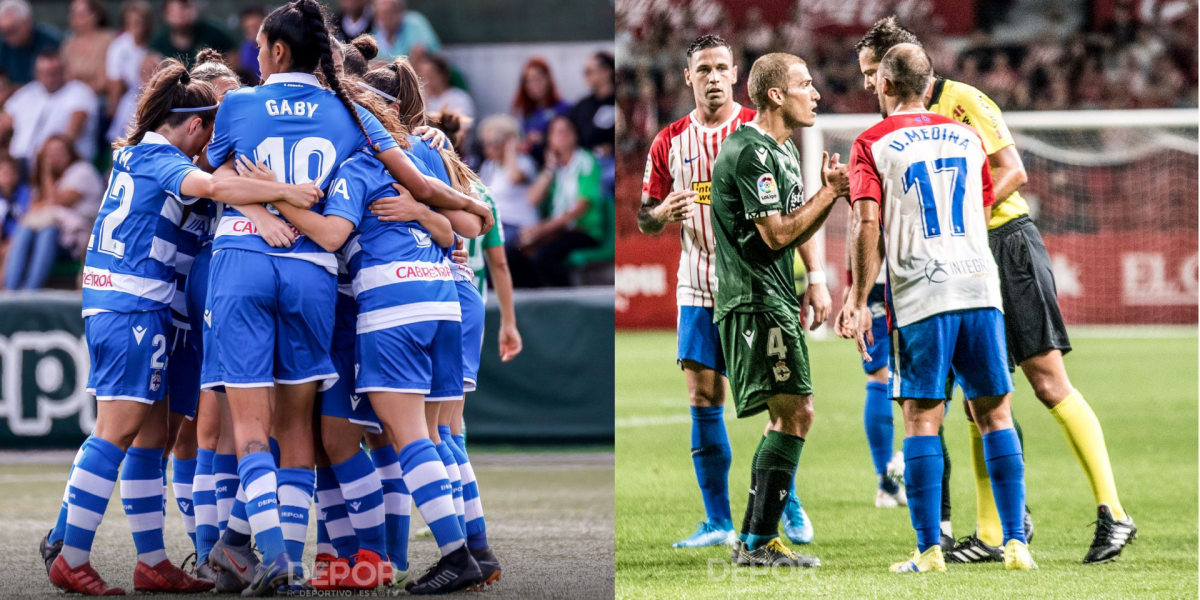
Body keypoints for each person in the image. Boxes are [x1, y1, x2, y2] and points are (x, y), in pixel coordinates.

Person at [197, 1, 489, 593]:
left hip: (257, 265)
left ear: (279, 51)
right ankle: (261, 549)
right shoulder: (352, 115)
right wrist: (466, 209)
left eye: (258, 46)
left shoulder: (238, 104)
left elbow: (214, 180)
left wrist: (269, 198)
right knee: (316, 429)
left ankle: (274, 556)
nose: (254, 55)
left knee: (251, 431)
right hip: (325, 277)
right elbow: (416, 181)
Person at [856, 16, 1134, 565]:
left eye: (871, 73)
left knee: (1048, 382)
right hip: (963, 259)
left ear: (894, 68)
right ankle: (990, 533)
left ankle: (1114, 512)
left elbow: (1013, 170)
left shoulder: (962, 101)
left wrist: (962, 223)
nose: (868, 85)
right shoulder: (897, 128)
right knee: (977, 398)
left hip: (1004, 242)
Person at [44, 57, 318, 597]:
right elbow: (213, 188)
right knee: (116, 430)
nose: (212, 141)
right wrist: (284, 194)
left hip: (135, 304)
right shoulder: (160, 155)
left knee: (152, 436)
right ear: (194, 124)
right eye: (210, 126)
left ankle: (150, 561)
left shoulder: (139, 152)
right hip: (132, 306)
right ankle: (69, 553)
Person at [838, 43, 1034, 574]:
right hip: (980, 289)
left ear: (882, 84)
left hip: (923, 295)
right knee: (995, 412)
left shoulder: (870, 142)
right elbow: (984, 202)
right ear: (929, 87)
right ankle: (1016, 542)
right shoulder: (968, 136)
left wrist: (858, 299)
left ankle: (929, 550)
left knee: (922, 417)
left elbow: (867, 224)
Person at [638, 35, 824, 549]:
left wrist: (817, 280)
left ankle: (784, 503)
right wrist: (659, 215)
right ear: (688, 77)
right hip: (698, 283)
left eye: (722, 67)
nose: (714, 77)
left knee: (780, 402)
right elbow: (643, 216)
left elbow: (792, 213)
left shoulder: (761, 130)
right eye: (704, 69)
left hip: (758, 285)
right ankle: (718, 521)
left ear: (737, 74)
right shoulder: (669, 141)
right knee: (703, 396)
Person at [710, 51, 847, 568]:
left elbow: (793, 227)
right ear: (775, 95)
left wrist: (813, 280)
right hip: (755, 301)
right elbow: (776, 233)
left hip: (773, 297)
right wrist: (830, 195)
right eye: (804, 84)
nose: (815, 93)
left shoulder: (781, 153)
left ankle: (753, 540)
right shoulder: (751, 153)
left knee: (787, 415)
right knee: (795, 413)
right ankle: (759, 544)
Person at [2, 135, 103, 290]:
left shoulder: (82, 171)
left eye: (58, 151)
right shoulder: (47, 180)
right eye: (48, 153)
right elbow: (32, 211)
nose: (53, 157)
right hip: (47, 240)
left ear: (70, 152)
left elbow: (55, 202)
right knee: (25, 230)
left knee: (48, 230)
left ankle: (29, 293)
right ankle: (10, 292)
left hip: (79, 241)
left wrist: (46, 173)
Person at [523, 115, 602, 287]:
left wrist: (543, 229)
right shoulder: (555, 167)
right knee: (518, 253)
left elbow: (581, 207)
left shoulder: (585, 161)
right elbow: (531, 199)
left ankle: (565, 303)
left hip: (582, 229)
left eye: (566, 131)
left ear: (576, 135)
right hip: (558, 229)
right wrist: (549, 169)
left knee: (543, 257)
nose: (562, 136)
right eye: (556, 132)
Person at [0, 50, 98, 165]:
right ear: (36, 74)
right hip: (18, 165)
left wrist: (43, 160)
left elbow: (70, 135)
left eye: (55, 72)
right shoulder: (28, 92)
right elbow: (3, 125)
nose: (50, 77)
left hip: (61, 165)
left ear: (64, 71)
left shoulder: (79, 92)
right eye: (45, 73)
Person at [478, 114, 538, 250]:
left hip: (519, 224)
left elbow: (515, 178)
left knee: (491, 249)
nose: (488, 148)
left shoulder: (523, 162)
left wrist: (511, 150)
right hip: (497, 223)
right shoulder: (489, 166)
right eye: (486, 143)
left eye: (493, 143)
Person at [512, 58, 570, 166]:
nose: (534, 85)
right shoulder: (526, 113)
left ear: (548, 80)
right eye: (528, 81)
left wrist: (544, 138)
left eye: (538, 79)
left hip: (557, 166)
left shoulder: (563, 108)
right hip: (532, 166)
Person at [149, 0, 235, 68]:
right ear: (165, 14)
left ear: (195, 9)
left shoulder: (215, 33)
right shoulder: (158, 43)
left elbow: (235, 58)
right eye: (173, 11)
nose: (180, 14)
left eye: (184, 8)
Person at [105, 0, 153, 120]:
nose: (137, 28)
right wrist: (113, 108)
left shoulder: (157, 43)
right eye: (130, 23)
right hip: (130, 100)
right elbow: (115, 80)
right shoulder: (118, 47)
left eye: (139, 22)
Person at [0, 0, 60, 85]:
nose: (8, 37)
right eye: (4, 32)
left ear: (27, 22)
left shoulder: (51, 41)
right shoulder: (3, 48)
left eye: (12, 30)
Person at [568, 51, 615, 158]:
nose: (586, 76)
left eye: (589, 72)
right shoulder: (582, 105)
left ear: (606, 72)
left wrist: (610, 147)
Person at [61, 0, 114, 95]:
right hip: (73, 97)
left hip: (101, 98)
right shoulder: (68, 44)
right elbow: (66, 77)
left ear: (95, 15)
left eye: (80, 14)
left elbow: (106, 80)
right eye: (73, 14)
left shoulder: (109, 41)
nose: (74, 19)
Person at [371, 0, 440, 60]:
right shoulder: (373, 32)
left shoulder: (414, 22)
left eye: (389, 12)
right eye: (381, 13)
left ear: (400, 11)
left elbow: (431, 48)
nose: (385, 17)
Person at [416, 54, 475, 120]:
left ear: (443, 75)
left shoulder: (459, 98)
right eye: (423, 76)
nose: (426, 81)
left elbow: (464, 127)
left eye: (430, 75)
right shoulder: (421, 100)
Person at [234, 6, 265, 79]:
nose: (252, 32)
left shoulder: (276, 46)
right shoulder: (245, 50)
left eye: (255, 27)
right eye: (247, 28)